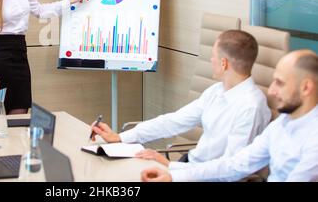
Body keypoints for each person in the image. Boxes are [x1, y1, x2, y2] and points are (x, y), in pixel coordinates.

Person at [91, 30, 271, 168]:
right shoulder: (216, 91)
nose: (211, 60)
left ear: (224, 63)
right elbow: (173, 122)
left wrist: (171, 167)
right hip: (190, 165)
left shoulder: (251, 107)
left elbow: (231, 168)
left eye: (213, 56)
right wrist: (120, 137)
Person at [141, 50, 318, 182]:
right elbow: (236, 164)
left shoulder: (314, 139)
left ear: (306, 88)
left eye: (280, 83)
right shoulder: (282, 124)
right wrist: (172, 173)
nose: (271, 91)